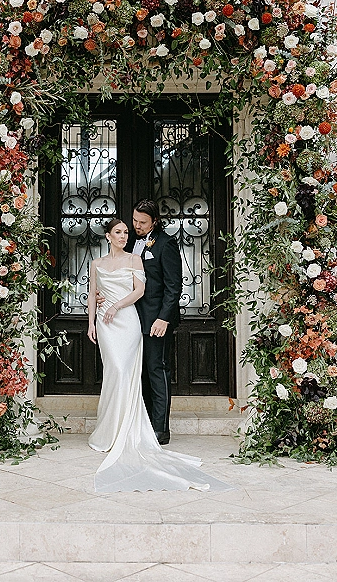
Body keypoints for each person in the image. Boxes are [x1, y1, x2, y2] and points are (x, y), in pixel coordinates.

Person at [87, 217, 232, 494]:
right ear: (107, 236)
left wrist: (115, 305)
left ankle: (131, 430)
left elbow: (140, 290)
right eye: (118, 231)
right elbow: (93, 293)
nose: (123, 235)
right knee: (113, 372)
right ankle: (109, 429)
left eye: (126, 231)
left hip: (127, 319)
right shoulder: (96, 264)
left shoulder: (135, 259)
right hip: (104, 325)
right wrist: (90, 323)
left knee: (125, 370)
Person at [127, 198, 181, 446]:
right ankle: (143, 424)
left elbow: (173, 287)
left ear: (155, 221)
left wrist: (163, 318)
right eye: (135, 220)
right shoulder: (129, 242)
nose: (137, 225)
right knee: (139, 372)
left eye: (142, 222)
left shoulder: (166, 244)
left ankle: (161, 429)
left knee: (156, 370)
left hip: (156, 320)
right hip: (131, 319)